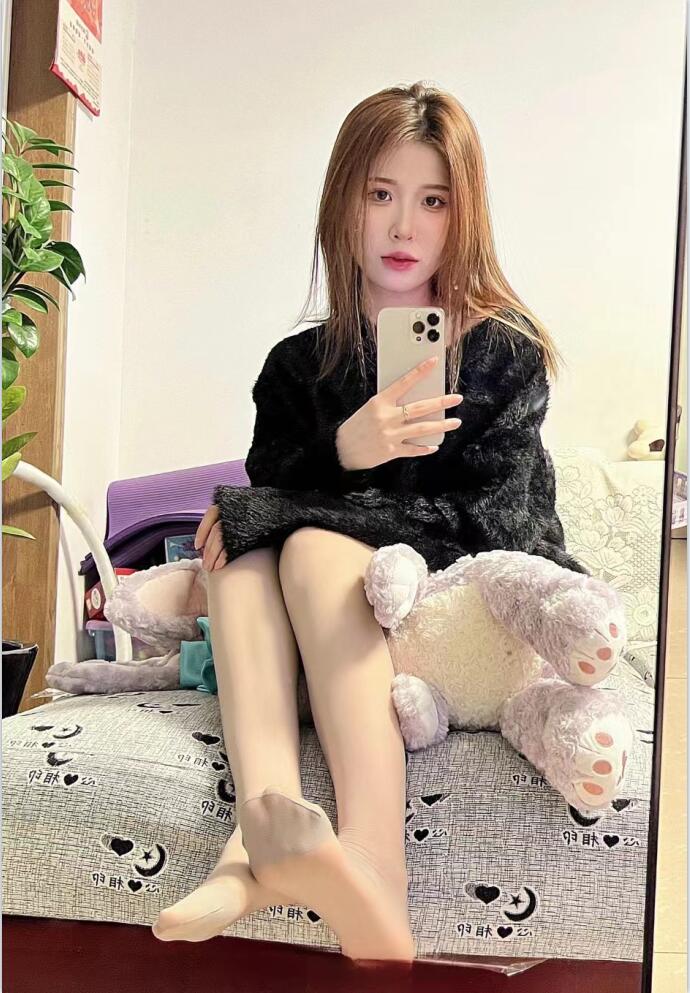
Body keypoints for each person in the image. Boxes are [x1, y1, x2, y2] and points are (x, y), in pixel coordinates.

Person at [151, 80, 586, 964]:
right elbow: (264, 509)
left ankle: (377, 867)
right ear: (342, 201)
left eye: (433, 201)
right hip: (336, 616)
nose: (402, 227)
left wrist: (329, 486)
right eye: (380, 193)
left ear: (464, 216)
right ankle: (257, 838)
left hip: (469, 607)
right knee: (242, 551)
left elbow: (496, 527)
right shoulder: (295, 367)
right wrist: (339, 451)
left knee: (309, 543)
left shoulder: (503, 351)